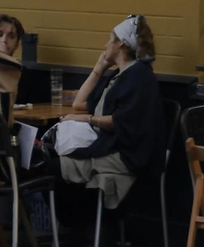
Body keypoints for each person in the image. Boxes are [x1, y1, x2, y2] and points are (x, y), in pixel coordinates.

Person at [58, 15, 162, 210]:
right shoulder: (119, 75)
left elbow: (121, 121)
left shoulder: (139, 76)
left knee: (57, 165)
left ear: (121, 44)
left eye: (110, 39)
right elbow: (79, 103)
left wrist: (86, 120)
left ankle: (74, 223)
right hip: (108, 144)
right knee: (53, 154)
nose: (106, 45)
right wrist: (100, 67)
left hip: (126, 154)